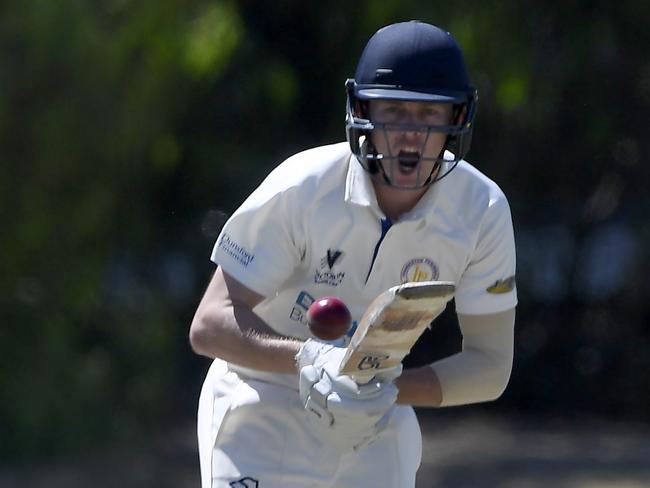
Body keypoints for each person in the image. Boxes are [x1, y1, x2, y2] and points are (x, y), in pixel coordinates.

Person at [190, 20, 517, 488]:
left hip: (377, 416)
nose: (411, 135)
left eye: (429, 116)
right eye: (395, 112)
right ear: (362, 110)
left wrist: (383, 390)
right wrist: (308, 359)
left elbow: (489, 365)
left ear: (456, 119)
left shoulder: (481, 210)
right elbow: (210, 325)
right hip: (262, 402)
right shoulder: (304, 187)